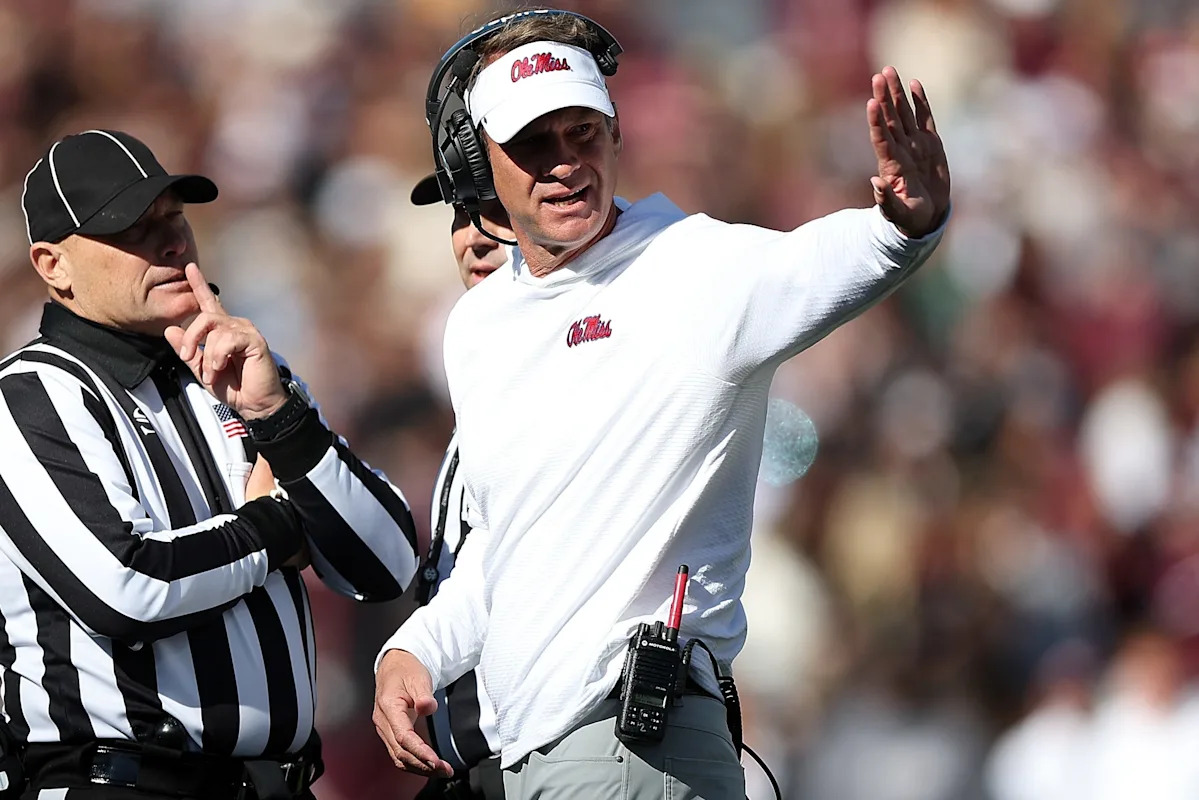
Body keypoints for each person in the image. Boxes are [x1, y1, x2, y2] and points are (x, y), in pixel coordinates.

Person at [374, 8, 951, 799]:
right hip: (535, 758)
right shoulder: (478, 324)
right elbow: (510, 548)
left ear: (615, 135)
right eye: (533, 143)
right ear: (482, 163)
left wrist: (903, 221)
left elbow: (819, 262)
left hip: (634, 746)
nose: (564, 163)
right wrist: (414, 651)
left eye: (582, 133)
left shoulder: (692, 266)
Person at [0, 129, 420, 800]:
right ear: (54, 265)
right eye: (132, 228)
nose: (171, 243)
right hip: (119, 783)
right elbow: (128, 588)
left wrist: (280, 417)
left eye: (174, 218)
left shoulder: (240, 370)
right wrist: (275, 529)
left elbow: (387, 562)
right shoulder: (29, 394)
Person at [401, 175, 514, 799]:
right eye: (461, 214)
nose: (475, 238)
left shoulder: (591, 363)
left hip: (536, 756)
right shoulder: (487, 376)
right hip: (472, 764)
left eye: (496, 211)